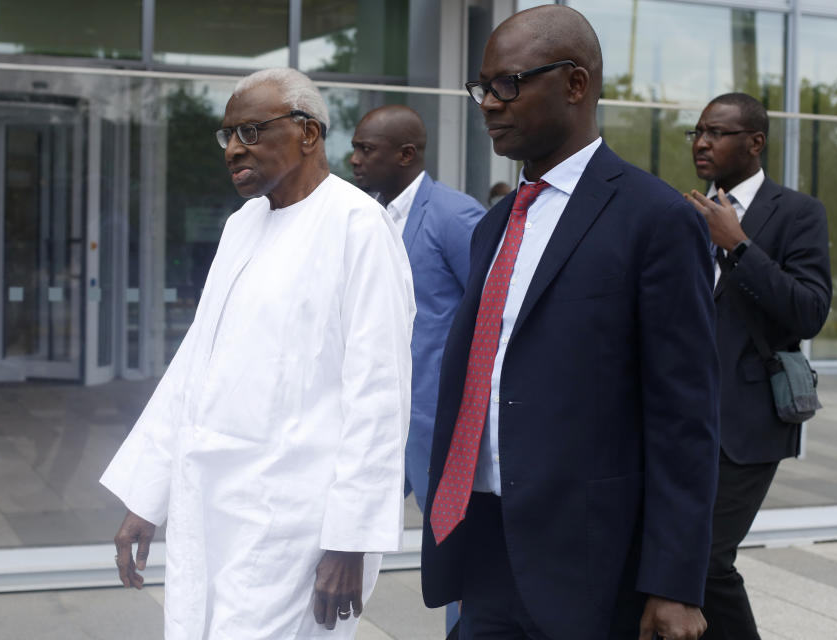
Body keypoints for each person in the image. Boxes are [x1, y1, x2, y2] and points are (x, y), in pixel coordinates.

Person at [420, 6, 720, 640]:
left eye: (508, 84)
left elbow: (684, 415)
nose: (489, 105)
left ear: (575, 84)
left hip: (592, 565)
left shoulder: (655, 219)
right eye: (482, 88)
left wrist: (673, 581)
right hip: (484, 541)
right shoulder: (495, 226)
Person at [100, 68, 416, 640]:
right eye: (227, 136)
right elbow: (195, 365)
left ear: (308, 133)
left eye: (250, 130)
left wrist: (350, 541)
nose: (233, 149)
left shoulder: (358, 228)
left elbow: (380, 394)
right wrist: (148, 496)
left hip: (293, 523)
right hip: (212, 509)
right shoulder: (243, 225)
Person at [683, 93, 832, 640]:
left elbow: (810, 311)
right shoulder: (685, 211)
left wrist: (740, 246)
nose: (702, 142)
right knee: (669, 562)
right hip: (680, 418)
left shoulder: (796, 212)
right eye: (697, 132)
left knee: (707, 562)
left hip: (746, 424)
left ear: (755, 142)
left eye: (716, 132)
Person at [350, 104, 484, 634]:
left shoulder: (456, 216)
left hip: (437, 429)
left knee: (458, 558)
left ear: (406, 154)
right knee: (336, 535)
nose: (354, 158)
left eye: (366, 149)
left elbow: (490, 321)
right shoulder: (366, 217)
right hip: (381, 421)